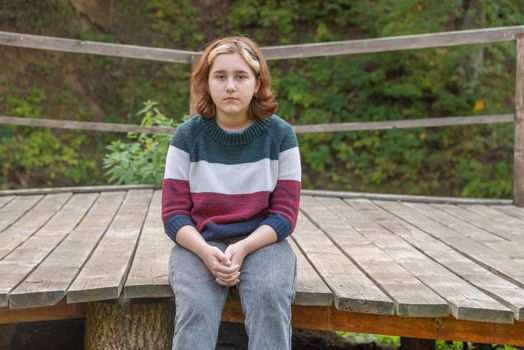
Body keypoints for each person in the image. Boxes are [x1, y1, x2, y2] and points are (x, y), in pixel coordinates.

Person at [161, 36, 301, 350]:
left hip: (263, 240)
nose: (230, 86)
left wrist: (245, 247)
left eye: (241, 77)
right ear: (206, 83)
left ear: (257, 83)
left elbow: (285, 215)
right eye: (220, 76)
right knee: (196, 303)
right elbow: (173, 214)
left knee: (268, 296)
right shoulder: (187, 137)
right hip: (200, 240)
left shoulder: (280, 135)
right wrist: (204, 252)